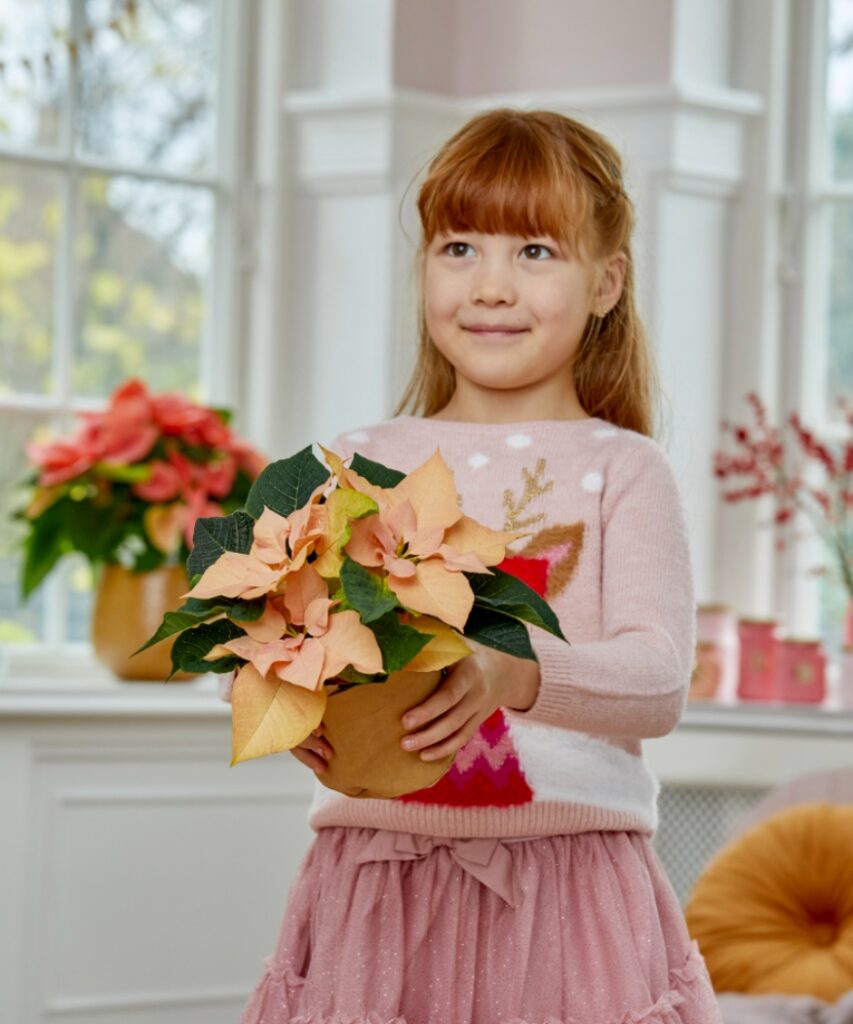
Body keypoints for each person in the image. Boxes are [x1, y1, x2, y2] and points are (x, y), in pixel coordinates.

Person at [235, 108, 722, 1023]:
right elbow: (298, 634)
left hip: (569, 893)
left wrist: (508, 668)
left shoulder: (624, 468)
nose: (489, 286)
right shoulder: (356, 460)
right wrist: (294, 706)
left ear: (605, 281)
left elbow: (657, 683)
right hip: (375, 884)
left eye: (534, 252)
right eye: (457, 247)